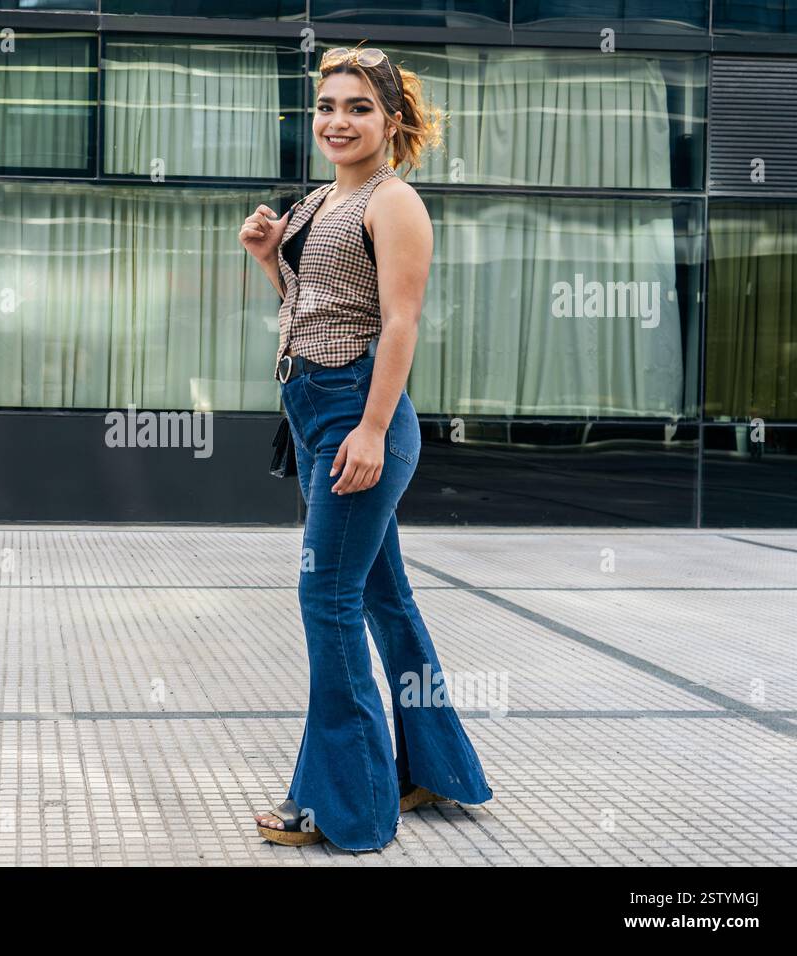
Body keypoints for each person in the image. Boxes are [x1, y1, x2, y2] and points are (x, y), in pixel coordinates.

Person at [237, 44, 494, 851]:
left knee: (328, 602)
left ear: (391, 120)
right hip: (314, 410)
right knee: (382, 599)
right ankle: (434, 772)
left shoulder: (395, 202)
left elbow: (400, 323)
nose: (337, 121)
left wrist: (374, 429)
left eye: (357, 108)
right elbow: (318, 305)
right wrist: (267, 258)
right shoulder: (316, 202)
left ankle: (346, 803)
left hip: (355, 415)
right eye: (327, 106)